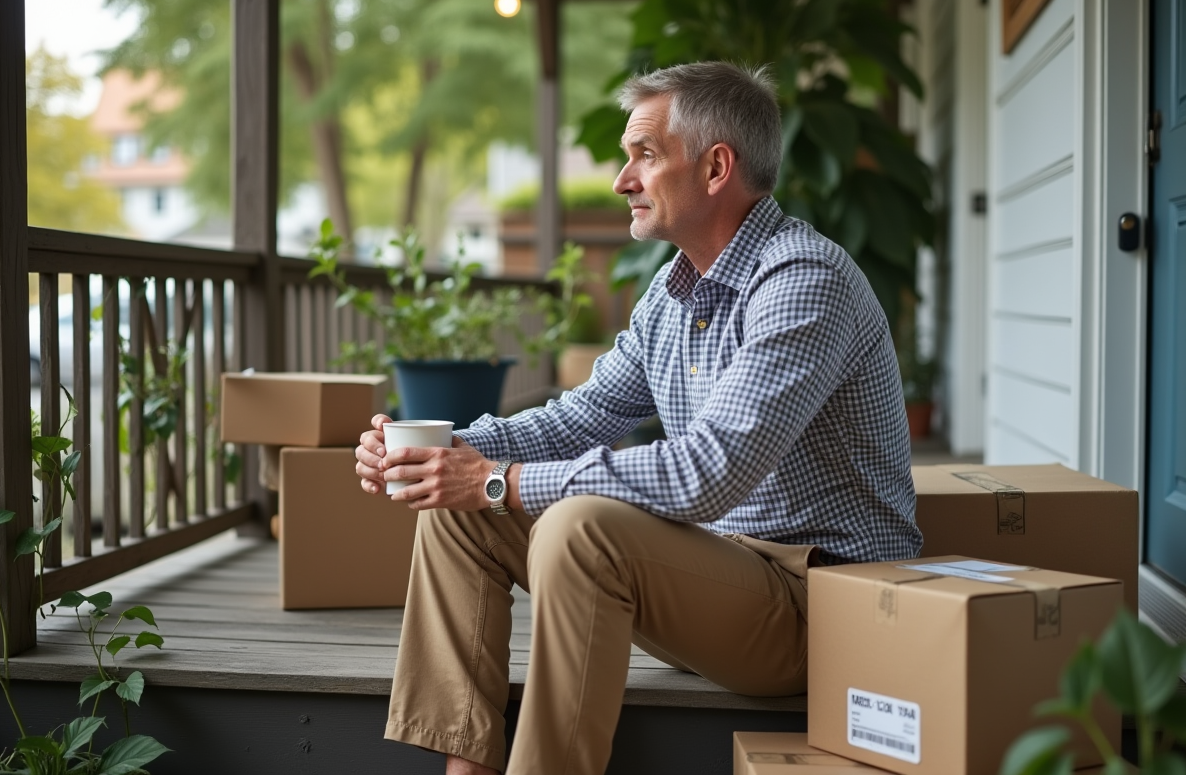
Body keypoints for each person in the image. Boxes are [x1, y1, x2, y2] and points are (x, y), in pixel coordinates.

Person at [354, 61, 921, 775]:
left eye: (644, 156)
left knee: (574, 524)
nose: (623, 180)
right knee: (456, 507)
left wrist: (498, 480)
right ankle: (467, 768)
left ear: (717, 168)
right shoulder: (673, 293)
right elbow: (579, 417)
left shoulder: (804, 281)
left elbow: (706, 474)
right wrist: (448, 454)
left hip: (823, 609)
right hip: (717, 575)